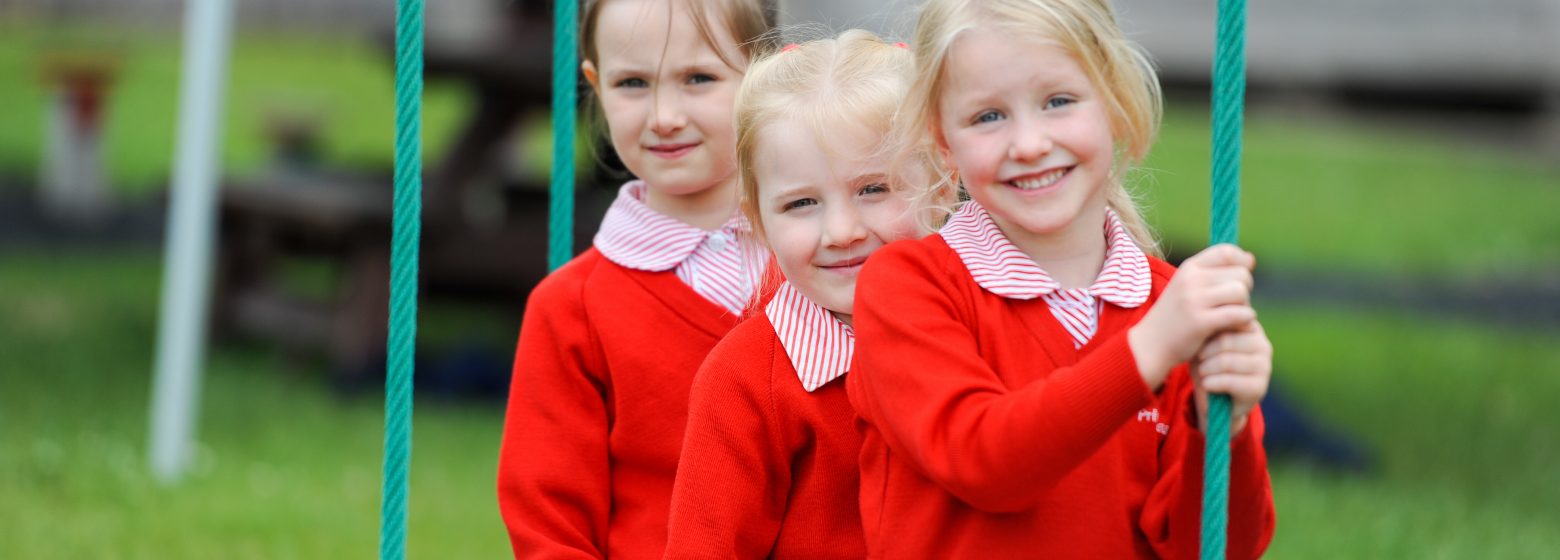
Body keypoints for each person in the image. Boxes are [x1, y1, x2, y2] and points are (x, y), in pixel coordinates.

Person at [847, 0, 1277, 556]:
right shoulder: (908, 287)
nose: (1029, 144)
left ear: (1117, 105)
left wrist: (1227, 429)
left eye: (1058, 102)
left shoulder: (1172, 306)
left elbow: (1213, 548)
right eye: (988, 116)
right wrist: (1148, 350)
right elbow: (986, 462)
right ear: (943, 140)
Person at [496, 1, 776, 557]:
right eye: (632, 83)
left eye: (698, 78)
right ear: (596, 87)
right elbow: (549, 522)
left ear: (765, 76)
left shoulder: (831, 264)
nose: (664, 115)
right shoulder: (572, 307)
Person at [662, 31, 930, 559]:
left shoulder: (988, 329)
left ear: (941, 186)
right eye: (802, 203)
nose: (842, 230)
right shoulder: (745, 379)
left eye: (874, 189)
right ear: (759, 221)